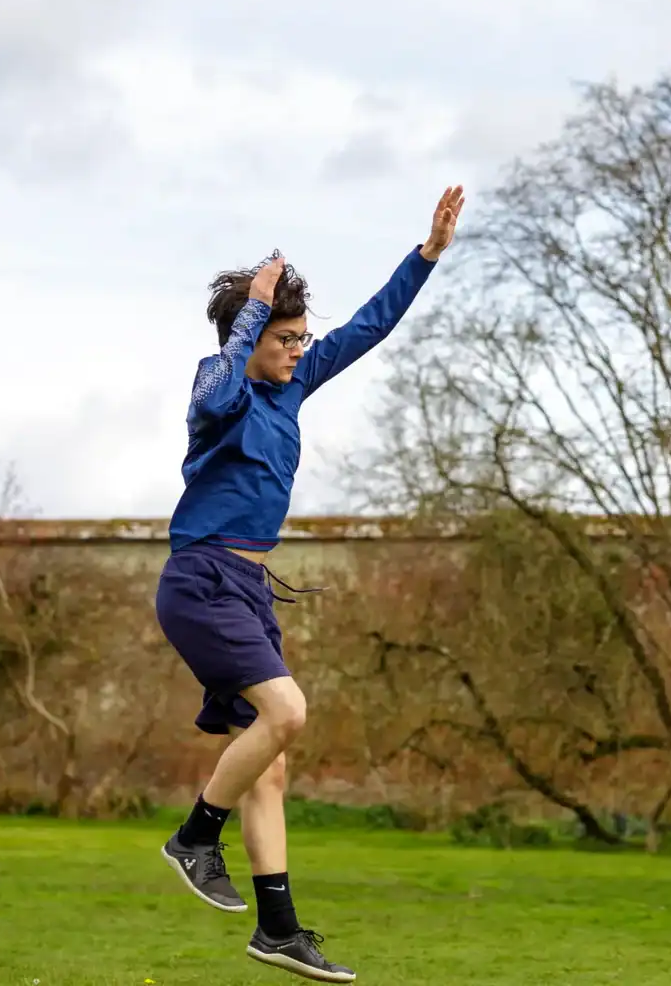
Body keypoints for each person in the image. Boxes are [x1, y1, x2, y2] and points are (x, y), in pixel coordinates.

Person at [155, 186, 464, 984]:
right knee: (287, 712)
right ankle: (194, 837)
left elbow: (368, 327)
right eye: (282, 338)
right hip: (202, 578)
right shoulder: (217, 394)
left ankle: (278, 930)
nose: (297, 349)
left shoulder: (294, 385)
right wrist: (251, 311)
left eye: (300, 338)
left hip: (250, 589)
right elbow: (223, 383)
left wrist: (425, 254)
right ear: (250, 336)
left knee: (273, 761)